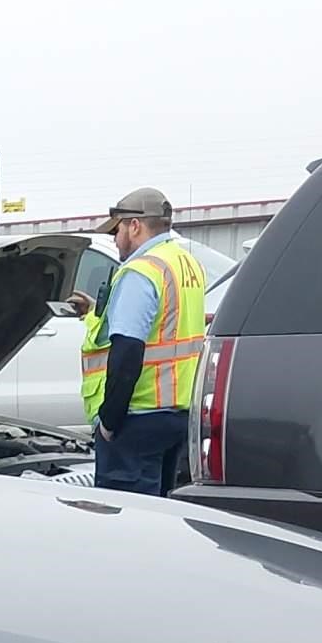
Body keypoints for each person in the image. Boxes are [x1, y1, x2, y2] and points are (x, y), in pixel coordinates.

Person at [65, 188, 207, 495]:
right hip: (177, 413)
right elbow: (167, 329)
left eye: (117, 229)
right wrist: (94, 311)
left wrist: (109, 420)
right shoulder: (186, 263)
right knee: (157, 517)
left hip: (137, 416)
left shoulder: (141, 271)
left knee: (124, 521)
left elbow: (128, 350)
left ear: (135, 226)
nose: (116, 238)